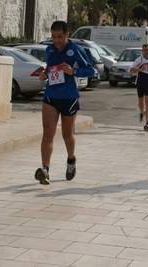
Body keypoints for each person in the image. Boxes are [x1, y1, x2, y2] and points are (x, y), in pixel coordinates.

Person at [35, 21, 95, 185]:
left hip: (69, 97)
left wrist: (73, 71)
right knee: (48, 133)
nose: (56, 40)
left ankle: (70, 160)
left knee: (67, 135)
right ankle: (45, 170)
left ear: (67, 35)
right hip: (51, 96)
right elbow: (50, 69)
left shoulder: (75, 50)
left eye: (60, 37)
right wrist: (44, 75)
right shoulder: (49, 49)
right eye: (53, 37)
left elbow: (91, 70)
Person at [129, 44, 148, 132]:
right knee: (141, 104)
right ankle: (142, 112)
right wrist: (139, 70)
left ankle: (147, 124)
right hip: (140, 82)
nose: (146, 51)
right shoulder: (140, 59)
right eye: (144, 50)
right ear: (142, 51)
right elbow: (130, 70)